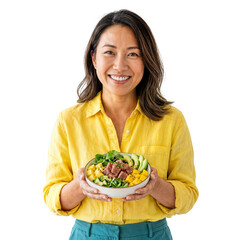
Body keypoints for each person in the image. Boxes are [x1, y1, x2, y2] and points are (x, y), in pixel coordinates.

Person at [43, 9, 198, 240]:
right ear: (94, 58)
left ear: (147, 60)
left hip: (150, 234)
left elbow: (188, 194)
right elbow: (51, 196)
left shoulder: (171, 119)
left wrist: (155, 186)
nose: (120, 65)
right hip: (88, 234)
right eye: (109, 52)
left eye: (133, 54)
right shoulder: (68, 121)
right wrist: (80, 186)